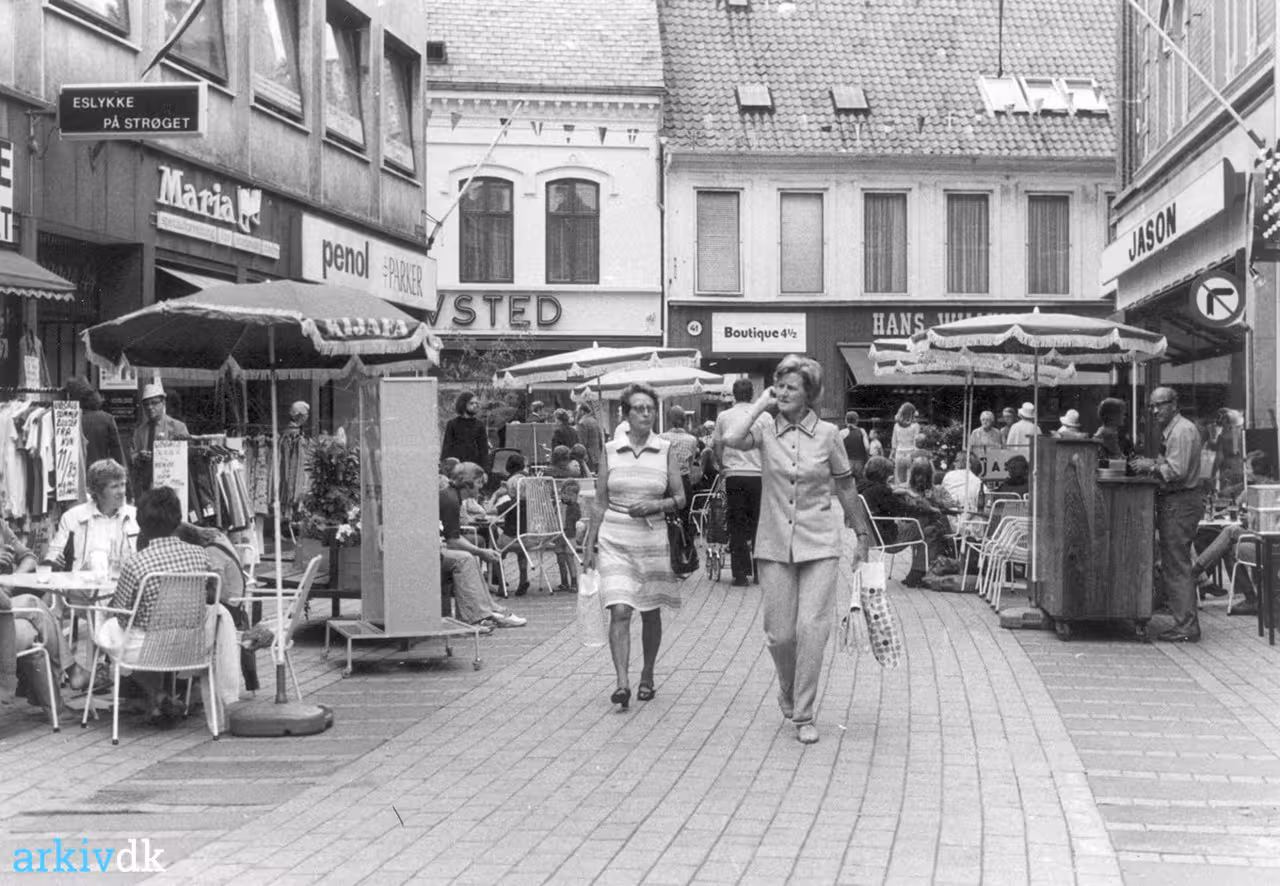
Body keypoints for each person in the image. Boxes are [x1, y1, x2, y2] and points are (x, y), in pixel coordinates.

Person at [721, 356, 872, 744]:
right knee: (779, 635)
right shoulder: (765, 428)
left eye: (792, 387)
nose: (783, 392)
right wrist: (761, 402)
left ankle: (803, 713)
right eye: (780, 385)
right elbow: (731, 439)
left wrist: (862, 534)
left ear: (810, 394)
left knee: (811, 629)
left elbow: (846, 486)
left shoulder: (829, 434)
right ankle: (787, 689)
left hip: (819, 542)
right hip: (773, 543)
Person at [582, 382, 685, 712]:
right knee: (620, 609)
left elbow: (680, 498)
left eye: (650, 408)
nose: (646, 413)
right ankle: (622, 682)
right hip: (614, 537)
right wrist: (589, 544)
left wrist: (656, 505)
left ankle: (648, 674)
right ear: (625, 414)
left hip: (651, 538)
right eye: (639, 408)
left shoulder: (665, 449)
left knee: (650, 610)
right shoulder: (611, 450)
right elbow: (599, 501)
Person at [101, 487, 213, 727]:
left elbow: (122, 616)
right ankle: (159, 699)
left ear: (141, 523)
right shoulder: (200, 555)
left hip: (147, 650)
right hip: (192, 645)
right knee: (142, 634)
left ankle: (158, 696)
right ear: (177, 520)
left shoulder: (136, 563)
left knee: (109, 627)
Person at [1131, 387, 1205, 643]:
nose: (1154, 411)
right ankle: (1183, 620)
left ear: (1174, 404)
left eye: (1159, 405)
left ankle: (1186, 626)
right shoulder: (1176, 430)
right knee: (1175, 563)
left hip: (1180, 501)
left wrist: (1150, 465)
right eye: (1152, 406)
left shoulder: (1181, 431)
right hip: (1177, 501)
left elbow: (1176, 471)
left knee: (1176, 565)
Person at [440, 462, 527, 628]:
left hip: (435, 547)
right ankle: (478, 615)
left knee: (469, 557)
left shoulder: (450, 496)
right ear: (468, 483)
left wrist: (479, 551)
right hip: (433, 550)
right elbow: (453, 541)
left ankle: (488, 609)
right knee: (465, 559)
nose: (481, 487)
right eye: (479, 482)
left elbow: (453, 537)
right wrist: (481, 551)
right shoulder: (451, 500)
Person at [714, 379, 766, 586]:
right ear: (752, 394)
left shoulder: (724, 417)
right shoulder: (764, 416)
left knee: (736, 524)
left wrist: (723, 465)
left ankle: (740, 574)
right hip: (759, 476)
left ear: (734, 395)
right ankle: (760, 571)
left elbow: (717, 445)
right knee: (759, 523)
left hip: (734, 475)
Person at [857, 456, 931, 586]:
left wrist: (899, 491)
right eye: (889, 474)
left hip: (874, 537)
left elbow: (885, 499)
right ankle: (918, 573)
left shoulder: (863, 488)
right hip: (890, 540)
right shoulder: (881, 491)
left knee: (928, 529)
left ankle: (916, 573)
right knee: (929, 523)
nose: (891, 477)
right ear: (883, 474)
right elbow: (904, 510)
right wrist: (929, 510)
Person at [130, 381, 190, 493]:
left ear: (163, 403)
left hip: (171, 484)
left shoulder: (177, 427)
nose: (150, 407)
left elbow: (186, 456)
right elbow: (132, 457)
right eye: (146, 404)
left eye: (154, 403)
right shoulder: (139, 431)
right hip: (145, 485)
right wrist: (139, 457)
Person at [65, 376, 125, 469]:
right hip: (100, 470)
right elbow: (117, 451)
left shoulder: (69, 420)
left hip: (74, 471)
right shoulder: (106, 418)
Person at [660, 405, 701, 520]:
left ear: (669, 420)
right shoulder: (692, 440)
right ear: (684, 421)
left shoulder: (661, 438)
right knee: (684, 518)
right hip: (684, 480)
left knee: (666, 517)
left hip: (666, 481)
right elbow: (691, 463)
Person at [442, 392, 489, 469]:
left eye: (476, 403)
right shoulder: (452, 424)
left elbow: (484, 450)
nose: (475, 405)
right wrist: (444, 466)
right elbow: (446, 447)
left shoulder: (480, 425)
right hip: (456, 466)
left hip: (474, 466)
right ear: (463, 404)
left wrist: (485, 469)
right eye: (471, 403)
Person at [942, 452, 985, 529]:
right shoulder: (979, 483)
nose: (954, 463)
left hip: (949, 524)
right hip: (972, 526)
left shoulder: (948, 476)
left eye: (956, 460)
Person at [1094, 398, 1133, 464]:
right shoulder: (1108, 433)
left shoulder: (1105, 430)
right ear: (1112, 416)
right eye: (1122, 414)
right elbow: (1118, 455)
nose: (1124, 417)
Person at [890, 402, 920, 486]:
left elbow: (894, 442)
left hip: (899, 453)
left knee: (899, 481)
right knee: (910, 482)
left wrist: (892, 454)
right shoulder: (916, 426)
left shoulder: (896, 425)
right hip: (911, 453)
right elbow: (916, 442)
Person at [841, 410, 871, 481]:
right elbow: (867, 447)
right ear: (857, 421)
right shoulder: (862, 431)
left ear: (846, 420)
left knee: (848, 481)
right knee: (859, 481)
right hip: (860, 461)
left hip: (847, 461)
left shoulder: (842, 433)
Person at [575, 403, 604, 471]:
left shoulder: (582, 423)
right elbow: (600, 439)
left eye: (577, 411)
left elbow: (582, 442)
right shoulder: (594, 421)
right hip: (597, 455)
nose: (576, 413)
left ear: (582, 411)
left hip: (588, 457)